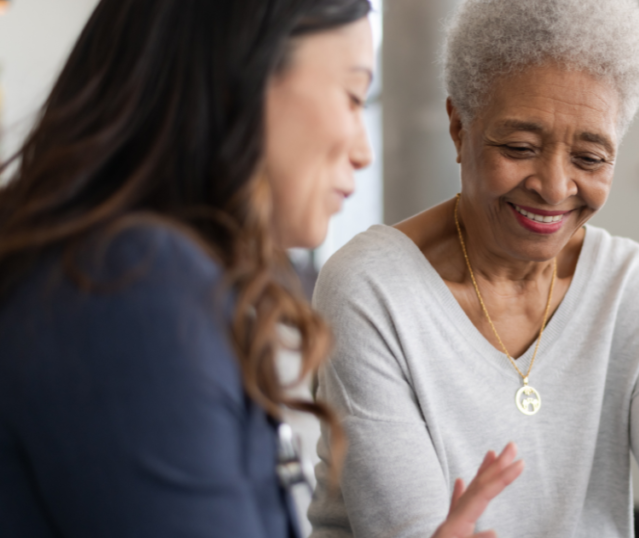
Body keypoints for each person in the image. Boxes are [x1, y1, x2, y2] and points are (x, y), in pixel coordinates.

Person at [0, 1, 522, 537]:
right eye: (350, 95)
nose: (364, 151)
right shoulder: (132, 288)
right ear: (241, 77)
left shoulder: (132, 275)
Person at [308, 0, 639, 537]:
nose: (554, 187)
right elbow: (414, 528)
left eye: (590, 158)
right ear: (459, 127)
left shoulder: (633, 290)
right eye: (520, 146)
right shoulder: (371, 289)